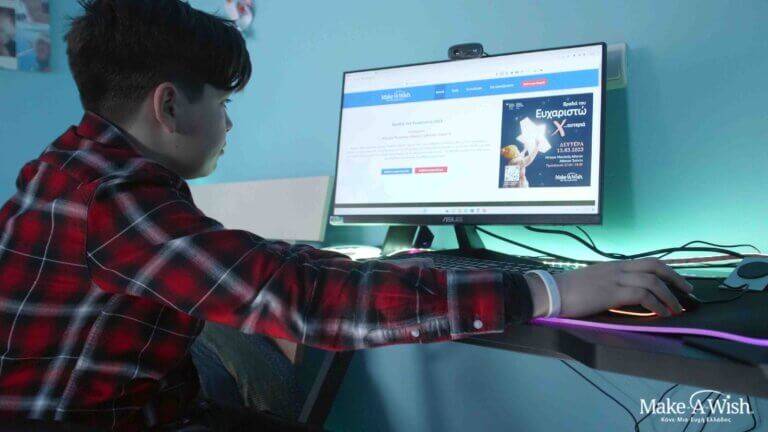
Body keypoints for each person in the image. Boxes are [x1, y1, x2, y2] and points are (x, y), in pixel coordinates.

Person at [0, 0, 694, 431]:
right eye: (223, 103)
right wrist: (552, 289)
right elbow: (307, 299)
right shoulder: (116, 201)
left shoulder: (70, 169)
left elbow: (262, 267)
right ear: (170, 105)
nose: (228, 124)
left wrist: (341, 267)